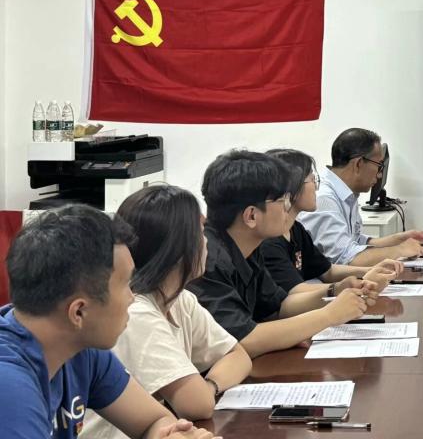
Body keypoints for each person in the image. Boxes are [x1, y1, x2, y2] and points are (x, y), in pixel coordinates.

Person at [0, 204, 217, 439]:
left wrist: (170, 435)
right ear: (79, 312)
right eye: (126, 284)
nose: (132, 297)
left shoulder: (80, 350)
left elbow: (153, 421)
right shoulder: (9, 388)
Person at [81, 186, 253, 439]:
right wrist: (204, 392)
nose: (206, 241)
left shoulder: (180, 299)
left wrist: (209, 386)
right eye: (200, 231)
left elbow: (239, 356)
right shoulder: (137, 313)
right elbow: (196, 404)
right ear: (177, 248)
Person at [188, 150, 370, 358]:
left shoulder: (248, 246)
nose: (287, 208)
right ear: (251, 216)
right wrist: (329, 315)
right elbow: (242, 340)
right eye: (282, 201)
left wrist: (335, 291)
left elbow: (279, 306)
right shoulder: (206, 259)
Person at [261, 148, 402, 294]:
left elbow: (327, 271)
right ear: (292, 187)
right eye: (312, 180)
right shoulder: (269, 241)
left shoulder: (295, 229)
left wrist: (372, 270)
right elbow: (295, 290)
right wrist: (353, 285)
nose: (317, 187)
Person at [299, 129, 423, 266]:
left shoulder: (346, 192)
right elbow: (345, 259)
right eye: (379, 166)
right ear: (358, 164)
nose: (379, 175)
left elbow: (356, 241)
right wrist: (399, 250)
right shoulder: (324, 199)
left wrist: (400, 239)